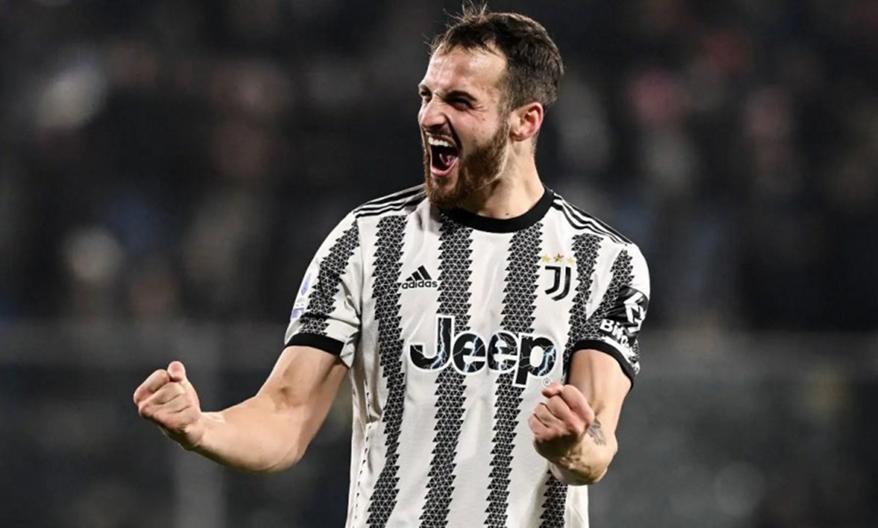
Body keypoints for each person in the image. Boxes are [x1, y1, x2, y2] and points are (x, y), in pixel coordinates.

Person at [133, 6, 649, 527]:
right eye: (427, 96)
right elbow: (285, 416)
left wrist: (572, 446)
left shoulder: (605, 262)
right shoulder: (365, 241)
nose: (430, 117)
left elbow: (596, 443)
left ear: (525, 120)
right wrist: (202, 427)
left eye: (460, 101)